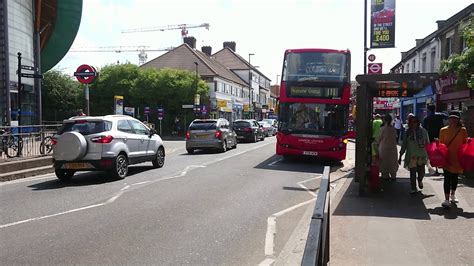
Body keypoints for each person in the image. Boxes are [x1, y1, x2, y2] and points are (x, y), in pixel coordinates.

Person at [439, 110, 468, 208]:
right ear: (448, 119)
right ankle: (446, 199)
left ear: (458, 120)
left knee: (455, 178)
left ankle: (453, 195)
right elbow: (441, 145)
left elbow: (465, 144)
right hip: (447, 158)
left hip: (457, 158)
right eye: (451, 118)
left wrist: (468, 142)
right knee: (447, 178)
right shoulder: (443, 130)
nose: (453, 120)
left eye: (455, 118)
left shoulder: (462, 130)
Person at [399, 115, 430, 194]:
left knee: (422, 172)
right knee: (412, 172)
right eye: (411, 122)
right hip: (411, 155)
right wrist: (400, 156)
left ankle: (420, 180)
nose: (413, 124)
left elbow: (427, 143)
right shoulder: (407, 132)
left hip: (421, 155)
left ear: (418, 122)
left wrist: (429, 154)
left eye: (415, 122)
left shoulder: (423, 131)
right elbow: (404, 145)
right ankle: (413, 188)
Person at [423, 104, 448, 175]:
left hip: (430, 137)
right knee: (440, 151)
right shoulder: (440, 115)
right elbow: (447, 117)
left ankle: (434, 167)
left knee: (432, 153)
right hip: (440, 136)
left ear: (428, 109)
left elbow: (424, 128)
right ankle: (440, 167)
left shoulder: (427, 118)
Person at [378, 114, 399, 181]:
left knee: (384, 163)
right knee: (392, 162)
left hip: (383, 148)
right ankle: (393, 176)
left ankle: (385, 176)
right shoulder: (394, 129)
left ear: (384, 120)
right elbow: (396, 137)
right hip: (392, 148)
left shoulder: (382, 129)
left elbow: (379, 138)